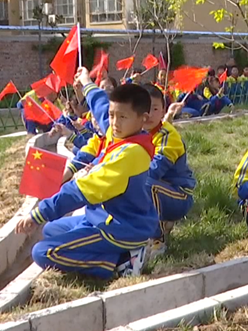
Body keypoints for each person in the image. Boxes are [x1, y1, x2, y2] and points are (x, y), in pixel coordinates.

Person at [16, 83, 157, 278]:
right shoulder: (121, 136)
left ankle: (114, 263)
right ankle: (112, 253)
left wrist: (39, 213)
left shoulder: (131, 152)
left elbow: (81, 190)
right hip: (100, 216)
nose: (115, 123)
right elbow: (100, 107)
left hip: (122, 227)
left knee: (42, 252)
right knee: (50, 230)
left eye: (122, 117)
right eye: (112, 115)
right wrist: (87, 83)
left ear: (143, 119)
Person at [140, 84, 196, 258]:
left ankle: (157, 240)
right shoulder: (137, 134)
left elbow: (154, 169)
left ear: (163, 109)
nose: (149, 114)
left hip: (178, 194)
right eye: (144, 109)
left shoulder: (168, 136)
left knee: (145, 184)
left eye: (155, 108)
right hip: (160, 191)